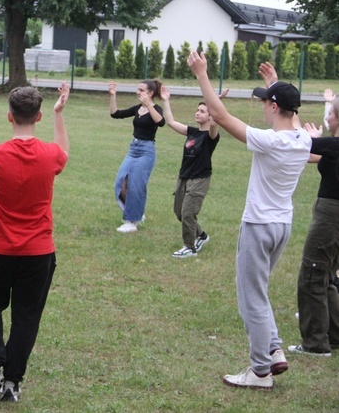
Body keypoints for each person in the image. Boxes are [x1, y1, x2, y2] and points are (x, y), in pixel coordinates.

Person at [188, 50, 310, 390]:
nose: (262, 108)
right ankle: (273, 350)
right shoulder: (302, 139)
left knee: (251, 297)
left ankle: (259, 372)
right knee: (260, 291)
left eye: (265, 102)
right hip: (282, 226)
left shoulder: (269, 141)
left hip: (258, 226)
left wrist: (201, 74)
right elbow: (292, 114)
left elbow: (220, 116)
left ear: (273, 107)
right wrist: (274, 84)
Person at [0, 82, 70, 403]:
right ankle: (11, 382)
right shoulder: (50, 155)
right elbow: (63, 151)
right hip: (38, 253)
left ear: (9, 117)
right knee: (26, 315)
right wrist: (59, 114)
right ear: (37, 118)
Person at [291, 99, 339, 356]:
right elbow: (308, 150)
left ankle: (315, 344)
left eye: (330, 113)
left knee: (311, 276)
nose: (327, 117)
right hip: (333, 215)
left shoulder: (334, 145)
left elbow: (298, 140)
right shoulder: (332, 147)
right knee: (327, 276)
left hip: (330, 216)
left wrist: (311, 137)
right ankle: (333, 335)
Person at [160, 85, 220, 257]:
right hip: (184, 177)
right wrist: (166, 100)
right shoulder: (192, 132)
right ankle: (201, 235)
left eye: (202, 111)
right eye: (197, 110)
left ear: (209, 116)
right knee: (180, 212)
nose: (198, 113)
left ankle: (190, 247)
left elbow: (215, 125)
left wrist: (215, 106)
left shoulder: (211, 136)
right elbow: (171, 122)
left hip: (199, 179)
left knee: (188, 213)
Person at [109, 79, 165, 233]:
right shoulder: (137, 108)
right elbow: (115, 114)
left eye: (141, 90)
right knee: (121, 182)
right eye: (137, 89)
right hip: (133, 149)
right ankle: (136, 213)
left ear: (150, 93)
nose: (137, 92)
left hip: (146, 151)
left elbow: (160, 122)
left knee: (136, 185)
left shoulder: (156, 109)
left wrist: (149, 105)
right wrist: (113, 95)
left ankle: (131, 221)